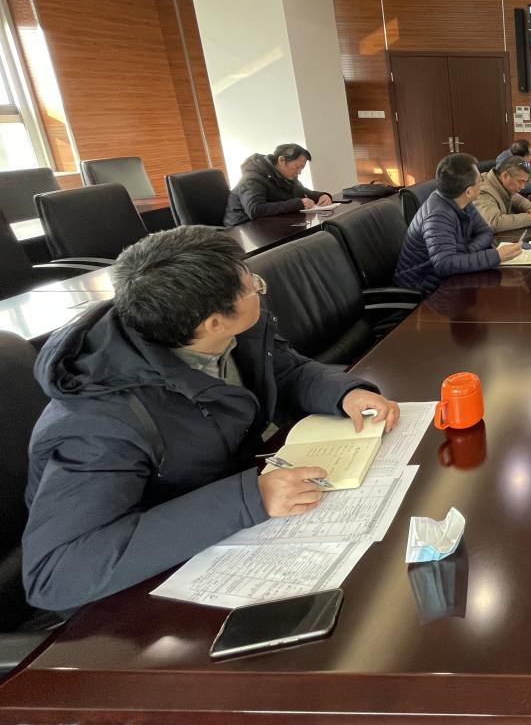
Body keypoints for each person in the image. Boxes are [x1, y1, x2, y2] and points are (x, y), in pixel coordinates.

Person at [22, 226, 398, 612]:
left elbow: (284, 371)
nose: (259, 286)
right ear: (214, 323)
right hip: (151, 591)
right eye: (251, 285)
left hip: (228, 515)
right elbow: (56, 572)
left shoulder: (219, 329)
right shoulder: (100, 422)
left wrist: (344, 393)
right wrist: (250, 498)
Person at [394, 153, 522, 295]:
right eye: (480, 180)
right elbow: (445, 264)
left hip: (447, 278)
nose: (482, 181)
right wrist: (496, 256)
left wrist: (466, 251)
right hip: (421, 288)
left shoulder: (461, 199)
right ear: (469, 191)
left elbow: (485, 231)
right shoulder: (437, 216)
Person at [224, 144, 331, 226]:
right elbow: (255, 210)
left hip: (270, 225)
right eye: (297, 167)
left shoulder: (286, 176)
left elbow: (303, 192)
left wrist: (322, 196)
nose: (299, 172)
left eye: (302, 168)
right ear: (281, 160)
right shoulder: (252, 178)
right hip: (242, 229)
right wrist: (297, 203)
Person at [475, 158, 531, 232]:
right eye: (520, 181)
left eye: (525, 182)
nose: (522, 187)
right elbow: (494, 222)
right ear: (505, 176)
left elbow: (518, 200)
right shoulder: (482, 191)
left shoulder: (501, 184)